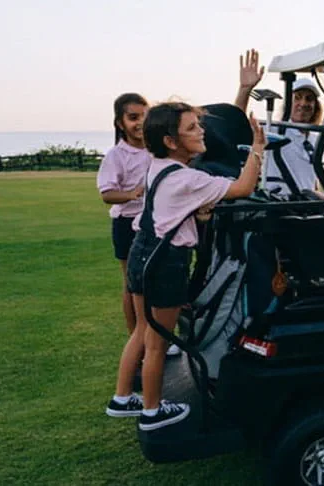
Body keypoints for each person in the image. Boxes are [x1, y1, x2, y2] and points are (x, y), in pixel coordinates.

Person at [105, 101, 265, 431]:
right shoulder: (189, 179)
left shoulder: (158, 166)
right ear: (170, 141)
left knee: (140, 330)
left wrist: (198, 212)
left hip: (141, 253)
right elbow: (244, 187)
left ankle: (122, 398)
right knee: (157, 342)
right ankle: (152, 411)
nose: (201, 131)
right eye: (192, 128)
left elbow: (173, 208)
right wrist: (258, 149)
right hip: (166, 264)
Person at [96, 93, 181, 358]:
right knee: (133, 286)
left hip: (153, 223)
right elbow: (107, 193)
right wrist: (133, 193)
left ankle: (159, 338)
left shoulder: (155, 149)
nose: (139, 123)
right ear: (120, 123)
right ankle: (139, 340)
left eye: (144, 116)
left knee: (158, 283)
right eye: (133, 117)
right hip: (125, 224)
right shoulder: (116, 155)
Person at [234, 49, 323, 194]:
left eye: (309, 99)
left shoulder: (315, 139)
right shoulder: (273, 131)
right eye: (298, 97)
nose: (303, 103)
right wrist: (245, 89)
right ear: (288, 103)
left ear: (315, 105)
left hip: (308, 205)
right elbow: (237, 123)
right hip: (281, 203)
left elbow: (311, 179)